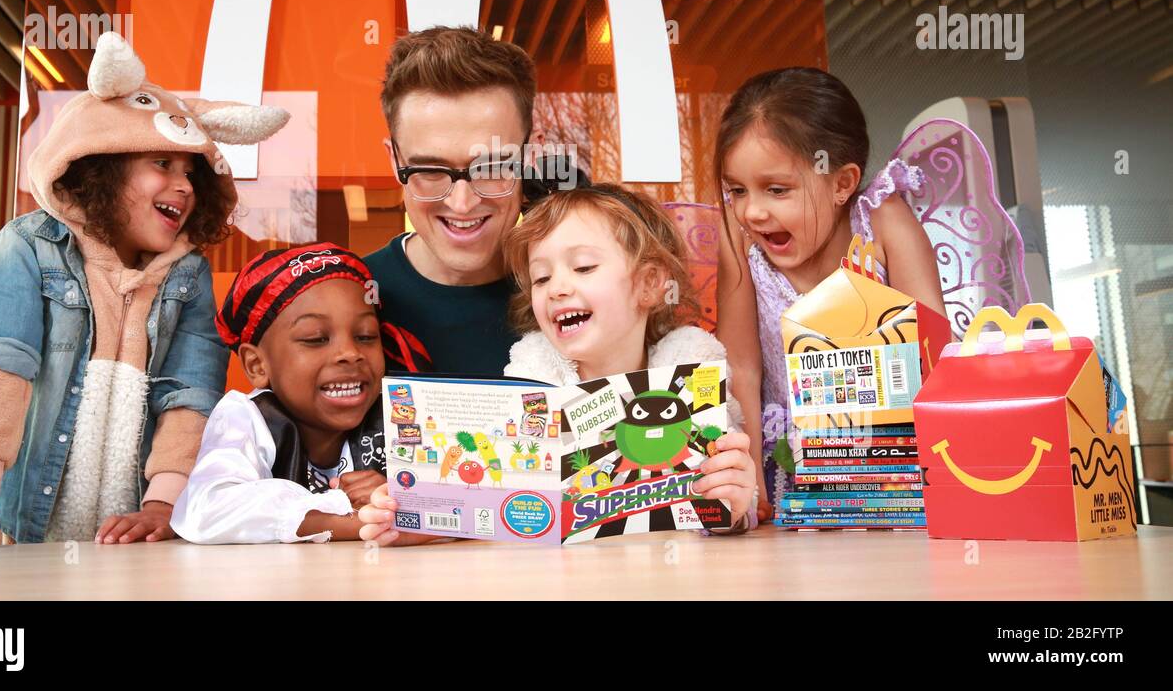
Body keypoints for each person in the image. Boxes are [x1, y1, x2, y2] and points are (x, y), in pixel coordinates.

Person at [0, 32, 289, 551]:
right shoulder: (28, 247)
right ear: (102, 161)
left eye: (191, 171)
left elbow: (191, 395)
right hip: (22, 533)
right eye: (163, 164)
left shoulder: (188, 276)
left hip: (132, 543)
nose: (186, 185)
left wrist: (163, 507)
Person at [357, 184, 758, 544]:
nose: (558, 289)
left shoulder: (692, 370)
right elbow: (486, 511)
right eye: (542, 278)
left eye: (583, 267)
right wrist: (415, 518)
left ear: (650, 284)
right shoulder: (532, 377)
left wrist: (733, 505)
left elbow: (731, 506)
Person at [712, 67, 943, 519]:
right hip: (787, 472)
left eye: (777, 189)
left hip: (893, 468)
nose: (752, 211)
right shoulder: (737, 238)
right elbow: (740, 362)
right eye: (737, 190)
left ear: (842, 183)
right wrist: (753, 476)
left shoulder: (882, 222)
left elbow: (932, 348)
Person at [171, 244, 429, 544]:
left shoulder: (400, 414)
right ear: (257, 365)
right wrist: (352, 518)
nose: (350, 353)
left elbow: (466, 499)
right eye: (316, 338)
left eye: (366, 336)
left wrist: (395, 499)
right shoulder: (247, 419)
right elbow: (206, 509)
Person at [365, 25, 551, 378]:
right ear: (396, 161)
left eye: (492, 166)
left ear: (533, 153)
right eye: (431, 170)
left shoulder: (578, 300)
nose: (462, 203)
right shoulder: (349, 301)